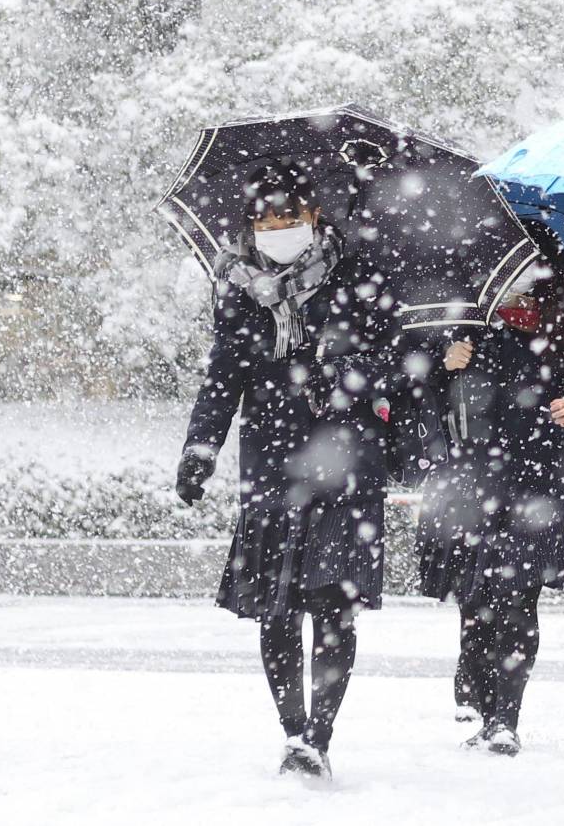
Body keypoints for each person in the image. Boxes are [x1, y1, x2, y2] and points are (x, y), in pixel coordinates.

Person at [174, 163, 410, 780]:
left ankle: (321, 738)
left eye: (288, 214)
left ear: (314, 215)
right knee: (276, 609)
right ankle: (293, 733)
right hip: (272, 463)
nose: (276, 227)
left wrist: (346, 370)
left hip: (345, 461)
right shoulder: (240, 287)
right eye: (264, 218)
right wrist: (199, 451)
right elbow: (223, 375)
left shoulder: (360, 272)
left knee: (333, 607)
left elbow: (403, 362)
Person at [416, 249, 564, 755]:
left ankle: (506, 717)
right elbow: (416, 389)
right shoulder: (464, 320)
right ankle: (480, 699)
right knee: (476, 600)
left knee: (518, 597)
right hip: (470, 485)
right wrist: (442, 362)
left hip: (542, 486)